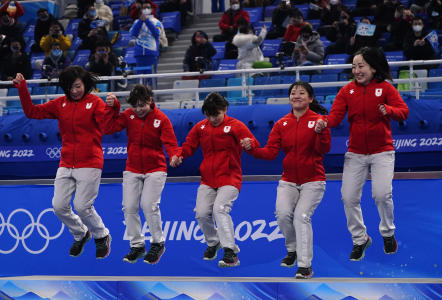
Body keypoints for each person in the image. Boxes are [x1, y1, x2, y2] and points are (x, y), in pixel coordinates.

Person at [315, 47, 409, 261]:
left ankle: (388, 233)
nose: (357, 70)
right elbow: (336, 117)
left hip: (382, 152)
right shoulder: (347, 91)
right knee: (348, 198)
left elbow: (403, 111)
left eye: (361, 66)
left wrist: (389, 110)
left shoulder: (385, 88)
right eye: (354, 66)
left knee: (381, 195)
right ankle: (360, 239)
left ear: (373, 68)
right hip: (355, 153)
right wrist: (323, 122)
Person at [12, 66, 112, 259]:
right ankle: (80, 233)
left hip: (90, 162)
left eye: (77, 86)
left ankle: (102, 235)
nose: (74, 91)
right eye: (70, 87)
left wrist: (112, 107)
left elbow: (108, 125)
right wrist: (22, 87)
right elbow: (32, 112)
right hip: (66, 162)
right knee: (58, 206)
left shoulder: (96, 103)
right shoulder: (60, 104)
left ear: (84, 84)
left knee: (82, 207)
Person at [240, 81, 331, 279]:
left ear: (310, 98)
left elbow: (324, 150)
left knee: (301, 217)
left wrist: (320, 132)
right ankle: (293, 250)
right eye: (293, 93)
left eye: (301, 93)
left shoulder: (319, 121)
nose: (296, 96)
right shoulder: (282, 124)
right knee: (282, 215)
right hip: (288, 180)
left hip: (313, 180)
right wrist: (251, 148)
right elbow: (270, 153)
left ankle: (305, 266)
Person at [170, 92, 260, 267]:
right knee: (201, 213)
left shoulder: (236, 126)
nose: (213, 119)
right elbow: (188, 146)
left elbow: (252, 142)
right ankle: (213, 242)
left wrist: (250, 144)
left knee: (220, 209)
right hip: (208, 180)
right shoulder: (200, 127)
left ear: (225, 109)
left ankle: (230, 252)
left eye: (216, 114)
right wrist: (178, 155)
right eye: (209, 115)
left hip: (230, 178)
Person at [104, 85, 179, 264]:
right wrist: (113, 107)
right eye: (135, 106)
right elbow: (108, 128)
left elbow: (170, 143)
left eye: (142, 105)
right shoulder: (128, 115)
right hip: (132, 168)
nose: (138, 109)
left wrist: (175, 155)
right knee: (128, 207)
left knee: (148, 205)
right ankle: (137, 246)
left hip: (156, 169)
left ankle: (157, 243)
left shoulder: (161, 119)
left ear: (150, 101)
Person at [129, 0, 162, 71]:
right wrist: (141, 21)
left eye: (148, 7)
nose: (146, 9)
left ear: (151, 9)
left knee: (151, 78)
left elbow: (156, 34)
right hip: (139, 53)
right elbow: (133, 34)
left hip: (151, 52)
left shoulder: (157, 22)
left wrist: (147, 21)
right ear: (141, 9)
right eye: (144, 8)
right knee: (140, 77)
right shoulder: (136, 22)